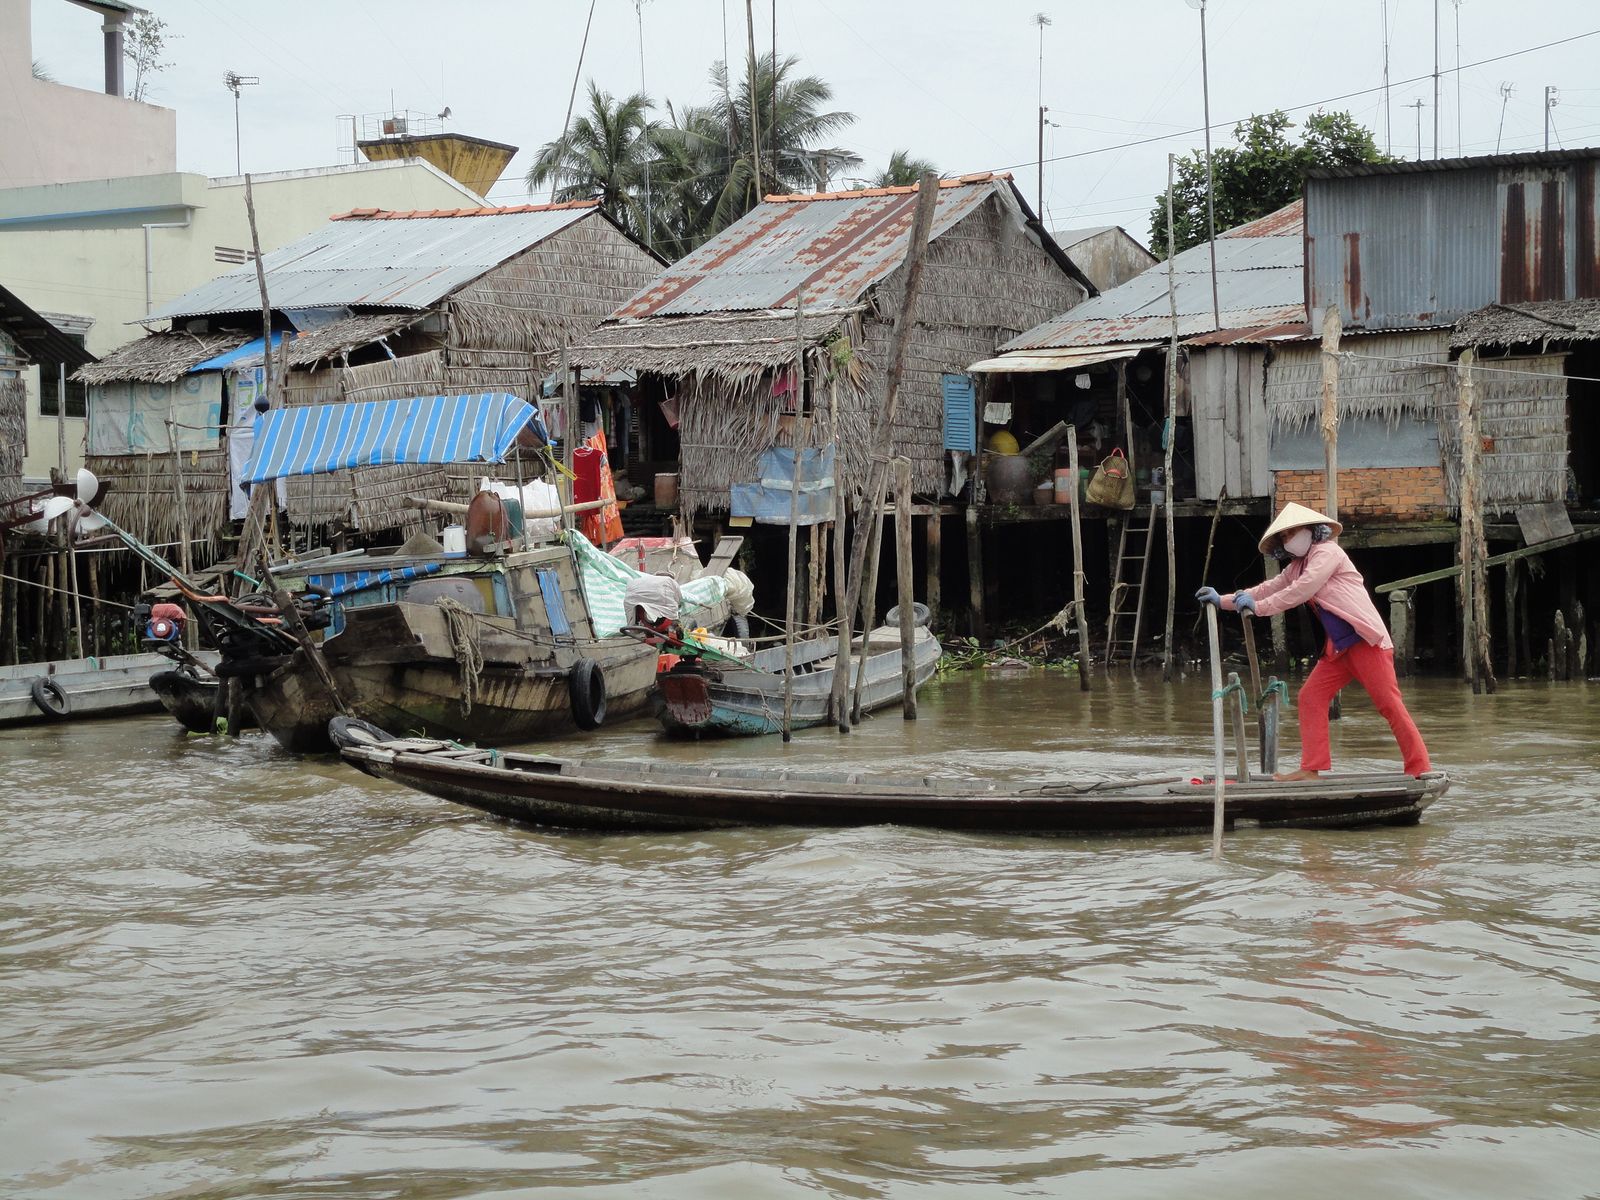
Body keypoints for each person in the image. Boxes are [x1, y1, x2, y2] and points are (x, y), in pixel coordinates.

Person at [1196, 502, 1431, 781]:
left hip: (1365, 641)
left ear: (1310, 530)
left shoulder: (1328, 552)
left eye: (1291, 533)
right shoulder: (1296, 566)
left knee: (1389, 705)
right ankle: (1311, 768)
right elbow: (1268, 588)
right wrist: (1223, 600)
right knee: (1310, 697)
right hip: (1338, 648)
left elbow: (1302, 589)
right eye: (1284, 537)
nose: (1288, 540)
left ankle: (1420, 768)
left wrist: (1259, 608)